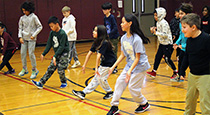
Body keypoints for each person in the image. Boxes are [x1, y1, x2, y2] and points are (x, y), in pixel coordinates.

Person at [107, 14, 150, 115]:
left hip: (140, 66)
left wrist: (129, 72)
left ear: (130, 23)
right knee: (119, 82)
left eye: (123, 22)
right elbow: (122, 55)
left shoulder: (137, 39)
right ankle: (114, 106)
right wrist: (112, 67)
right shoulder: (123, 38)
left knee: (132, 87)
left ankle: (144, 103)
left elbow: (137, 58)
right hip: (130, 65)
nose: (121, 24)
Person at [72, 25, 116, 100]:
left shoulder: (105, 43)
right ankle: (83, 93)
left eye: (95, 31)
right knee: (97, 78)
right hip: (104, 62)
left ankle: (109, 92)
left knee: (101, 78)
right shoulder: (96, 41)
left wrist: (96, 68)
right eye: (94, 30)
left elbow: (98, 56)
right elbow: (89, 53)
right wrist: (84, 65)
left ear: (100, 33)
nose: (93, 32)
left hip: (109, 63)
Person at [179, 13, 210, 115]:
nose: (182, 30)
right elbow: (187, 56)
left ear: (193, 27)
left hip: (205, 77)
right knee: (189, 102)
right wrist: (182, 70)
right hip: (192, 76)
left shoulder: (206, 39)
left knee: (205, 104)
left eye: (184, 27)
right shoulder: (189, 41)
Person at [31, 16, 69, 89]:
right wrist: (43, 53)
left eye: (52, 26)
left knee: (60, 69)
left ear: (57, 24)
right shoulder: (52, 33)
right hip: (57, 53)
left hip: (64, 53)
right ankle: (41, 83)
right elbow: (49, 44)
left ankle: (64, 81)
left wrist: (55, 56)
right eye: (50, 26)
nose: (51, 28)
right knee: (50, 68)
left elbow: (61, 47)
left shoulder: (62, 33)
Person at [147, 7, 178, 80]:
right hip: (162, 43)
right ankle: (154, 71)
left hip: (167, 43)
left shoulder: (164, 23)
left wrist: (155, 32)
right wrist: (155, 29)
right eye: (154, 15)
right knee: (158, 56)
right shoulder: (158, 22)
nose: (155, 17)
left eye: (156, 15)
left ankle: (175, 71)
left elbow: (165, 34)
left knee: (167, 59)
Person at [18, 1, 43, 79]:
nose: (24, 12)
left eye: (25, 10)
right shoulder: (22, 18)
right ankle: (24, 68)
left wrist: (34, 35)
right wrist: (20, 37)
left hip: (32, 39)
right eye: (23, 11)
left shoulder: (34, 17)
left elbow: (40, 27)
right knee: (22, 53)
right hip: (24, 38)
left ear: (30, 9)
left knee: (31, 54)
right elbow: (20, 28)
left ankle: (34, 69)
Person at [172, 3, 193, 82]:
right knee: (180, 61)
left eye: (182, 13)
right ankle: (181, 76)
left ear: (187, 14)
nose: (180, 15)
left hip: (189, 48)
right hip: (182, 47)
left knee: (191, 64)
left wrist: (184, 46)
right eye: (179, 13)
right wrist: (177, 43)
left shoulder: (192, 25)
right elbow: (181, 35)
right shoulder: (181, 23)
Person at [101, 2, 120, 74]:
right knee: (107, 52)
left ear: (109, 10)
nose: (104, 11)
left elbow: (115, 28)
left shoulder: (112, 17)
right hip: (108, 37)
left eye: (105, 10)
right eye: (103, 9)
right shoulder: (105, 18)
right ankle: (106, 66)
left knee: (114, 52)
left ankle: (115, 68)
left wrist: (109, 34)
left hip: (114, 37)